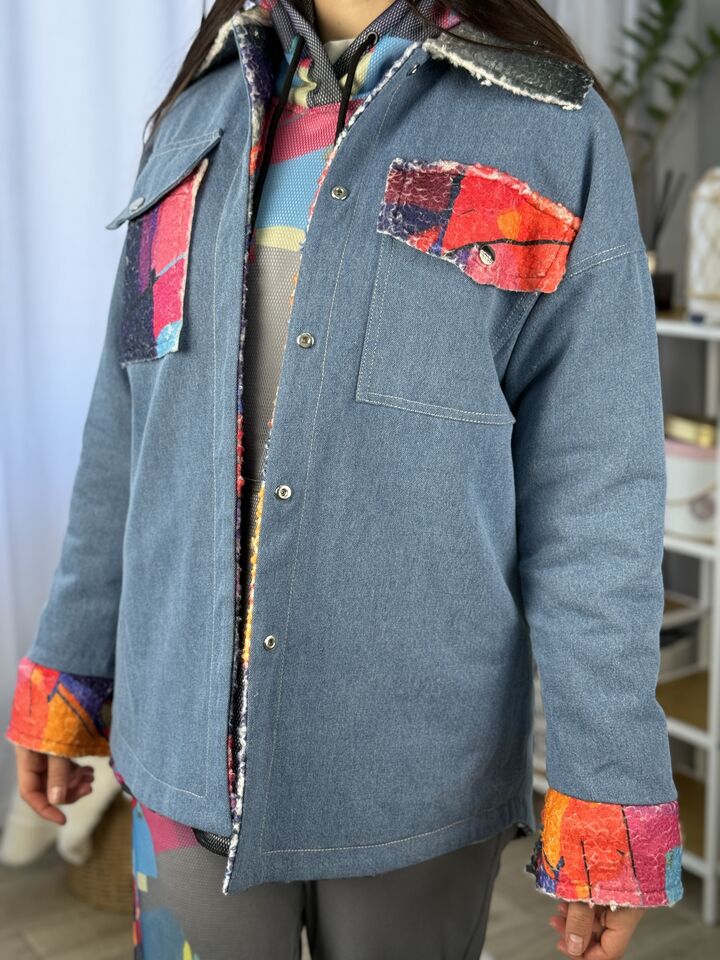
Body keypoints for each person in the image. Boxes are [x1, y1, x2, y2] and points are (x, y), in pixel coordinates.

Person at [6, 1, 683, 958]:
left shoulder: (549, 126)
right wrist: (69, 664)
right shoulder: (195, 120)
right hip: (180, 743)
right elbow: (126, 428)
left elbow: (596, 490)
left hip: (413, 765)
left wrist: (609, 783)